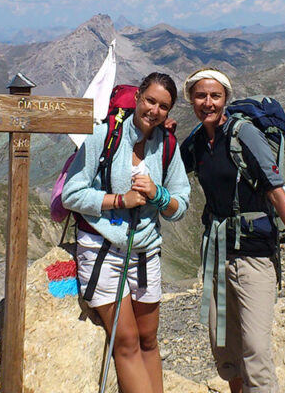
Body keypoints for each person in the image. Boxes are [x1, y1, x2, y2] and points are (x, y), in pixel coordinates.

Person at [181, 68, 285, 393]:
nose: (208, 102)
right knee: (226, 352)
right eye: (201, 95)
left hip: (254, 258)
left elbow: (275, 190)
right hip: (217, 258)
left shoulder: (244, 135)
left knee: (255, 348)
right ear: (191, 100)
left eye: (215, 96)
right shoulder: (197, 142)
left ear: (225, 98)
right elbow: (168, 167)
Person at [62, 72, 190, 393]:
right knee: (128, 340)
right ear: (137, 98)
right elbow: (72, 194)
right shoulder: (104, 136)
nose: (154, 110)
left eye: (163, 106)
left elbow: (181, 204)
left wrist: (158, 194)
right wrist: (120, 200)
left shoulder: (167, 145)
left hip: (146, 253)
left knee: (148, 339)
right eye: (150, 100)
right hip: (103, 250)